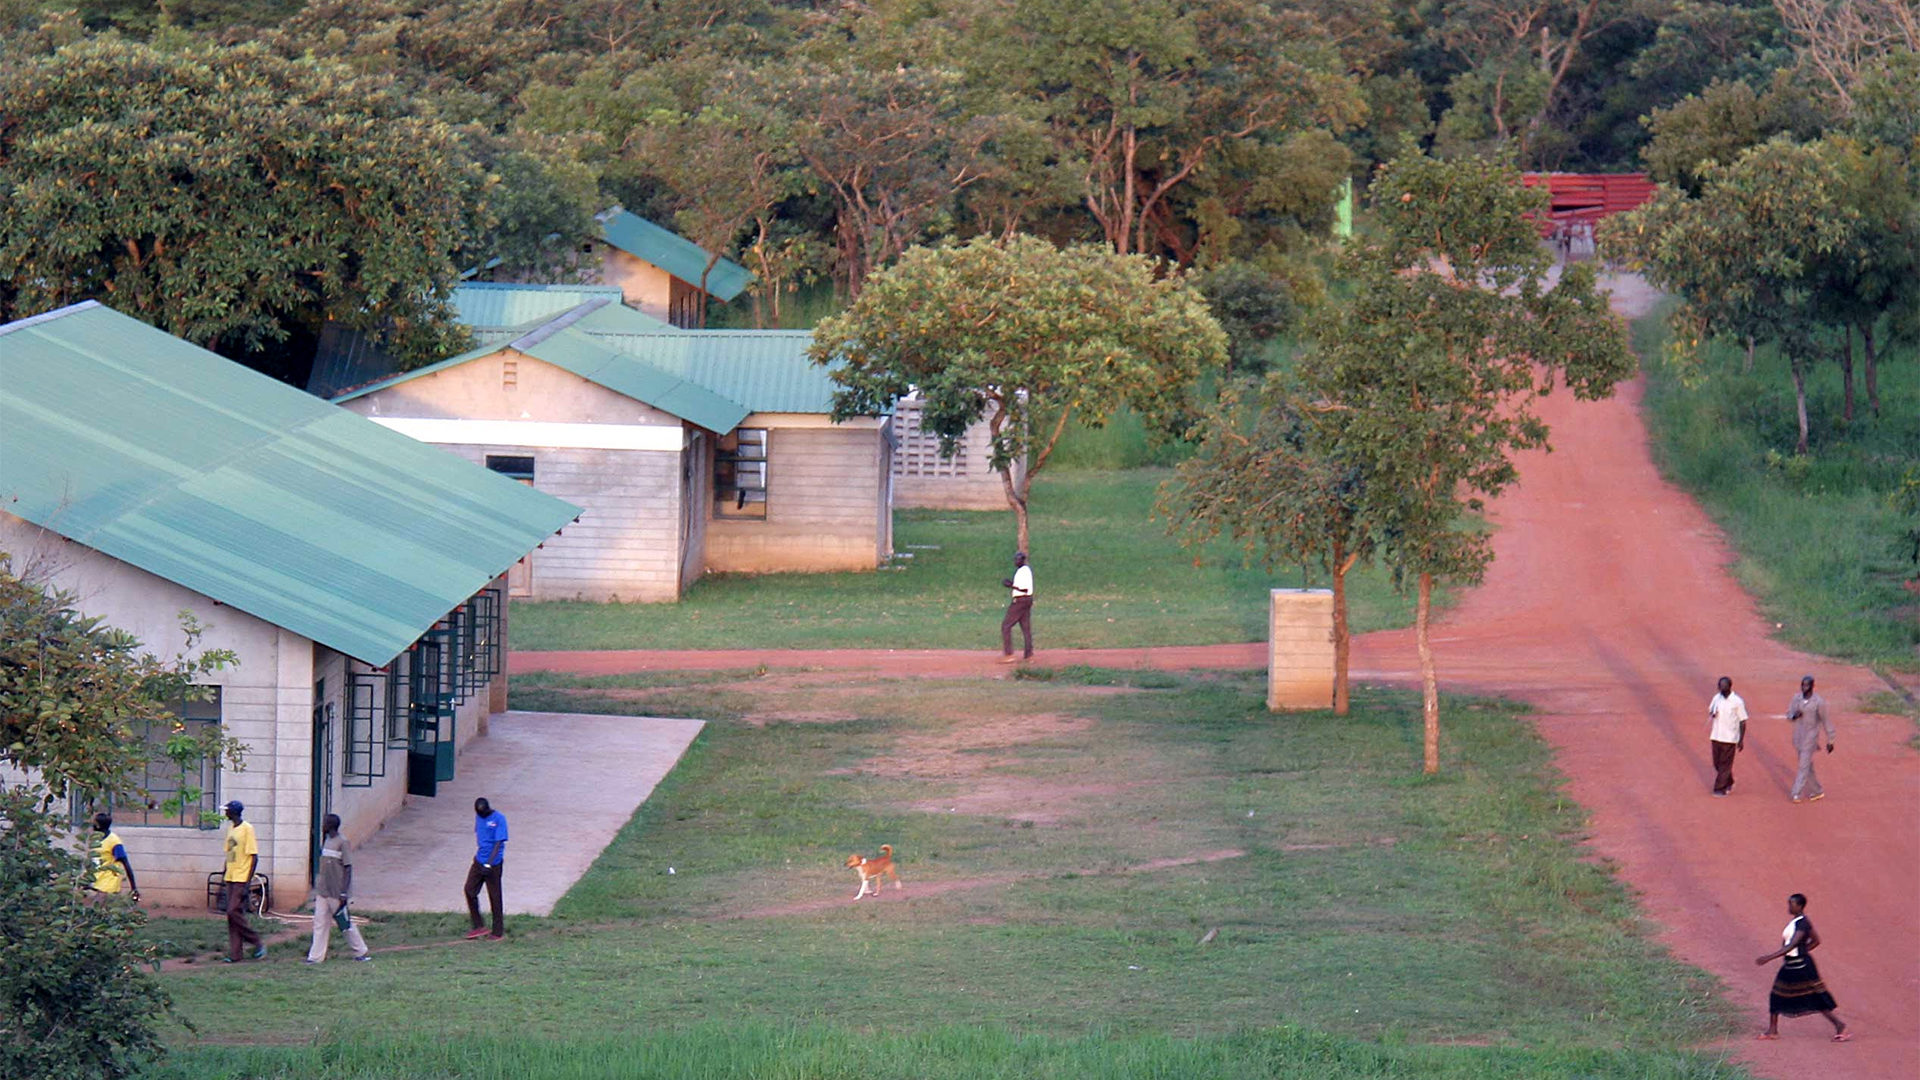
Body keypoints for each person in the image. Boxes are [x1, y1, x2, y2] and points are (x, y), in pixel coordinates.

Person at [1754, 893, 1850, 1042]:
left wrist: (1769, 957)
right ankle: (1772, 1030)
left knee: (1814, 997)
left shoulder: (1802, 924)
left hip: (1802, 967)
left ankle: (1840, 1026)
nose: (1789, 906)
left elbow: (1792, 945)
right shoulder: (1798, 922)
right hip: (1792, 965)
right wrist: (1802, 950)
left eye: (1792, 904)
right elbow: (1815, 941)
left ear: (1799, 906)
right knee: (1777, 995)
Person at [305, 813, 371, 964]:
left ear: (331, 826)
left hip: (336, 892)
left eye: (325, 823)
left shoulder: (343, 842)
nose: (322, 825)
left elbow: (348, 868)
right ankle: (315, 957)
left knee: (344, 923)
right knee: (320, 923)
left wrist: (343, 893)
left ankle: (360, 951)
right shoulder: (326, 840)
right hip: (323, 891)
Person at [220, 799, 267, 962]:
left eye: (227, 810)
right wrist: (224, 873)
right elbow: (229, 854)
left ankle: (256, 941)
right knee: (232, 916)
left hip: (241, 876)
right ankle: (235, 954)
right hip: (231, 876)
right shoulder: (230, 828)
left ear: (233, 812)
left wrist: (248, 882)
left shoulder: (247, 829)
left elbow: (254, 857)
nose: (225, 813)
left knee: (232, 910)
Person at [463, 797, 508, 940]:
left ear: (488, 808)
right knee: (469, 890)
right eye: (478, 813)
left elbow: (498, 843)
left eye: (483, 812)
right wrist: (481, 862)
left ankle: (497, 931)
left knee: (495, 896)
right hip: (479, 861)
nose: (481, 815)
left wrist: (489, 864)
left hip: (493, 864)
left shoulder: (499, 819)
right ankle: (479, 926)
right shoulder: (478, 817)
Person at [1786, 675, 1836, 803]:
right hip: (1798, 737)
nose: (1804, 688)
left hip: (1810, 738)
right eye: (1802, 685)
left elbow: (1826, 721)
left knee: (1803, 765)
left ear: (1813, 686)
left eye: (1807, 685)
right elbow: (1789, 714)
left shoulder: (1819, 702)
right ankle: (1817, 790)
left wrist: (1831, 740)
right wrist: (1794, 716)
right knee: (1807, 766)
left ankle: (1796, 793)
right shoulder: (1796, 699)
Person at [1707, 676, 1748, 797]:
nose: (1720, 688)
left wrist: (1740, 740)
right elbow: (1711, 711)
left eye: (1723, 685)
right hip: (1716, 735)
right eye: (1719, 685)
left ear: (1729, 686)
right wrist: (1713, 714)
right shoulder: (1716, 698)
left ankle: (1719, 788)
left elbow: (1743, 721)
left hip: (1730, 738)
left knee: (1725, 763)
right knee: (1717, 763)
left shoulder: (1737, 701)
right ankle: (1729, 781)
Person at [89, 812, 140, 903]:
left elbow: (126, 863)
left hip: (109, 881)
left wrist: (134, 888)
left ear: (98, 826)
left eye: (94, 823)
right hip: (98, 879)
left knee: (96, 908)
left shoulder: (114, 842)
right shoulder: (96, 839)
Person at [998, 551, 1034, 664]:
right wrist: (1013, 584)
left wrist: (1011, 585)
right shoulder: (1024, 571)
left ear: (1022, 560)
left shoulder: (1023, 571)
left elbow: (1024, 589)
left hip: (1020, 601)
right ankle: (1029, 655)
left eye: (1017, 560)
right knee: (1025, 628)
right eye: (1015, 559)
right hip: (1027, 600)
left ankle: (1009, 654)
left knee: (1006, 626)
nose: (1015, 562)